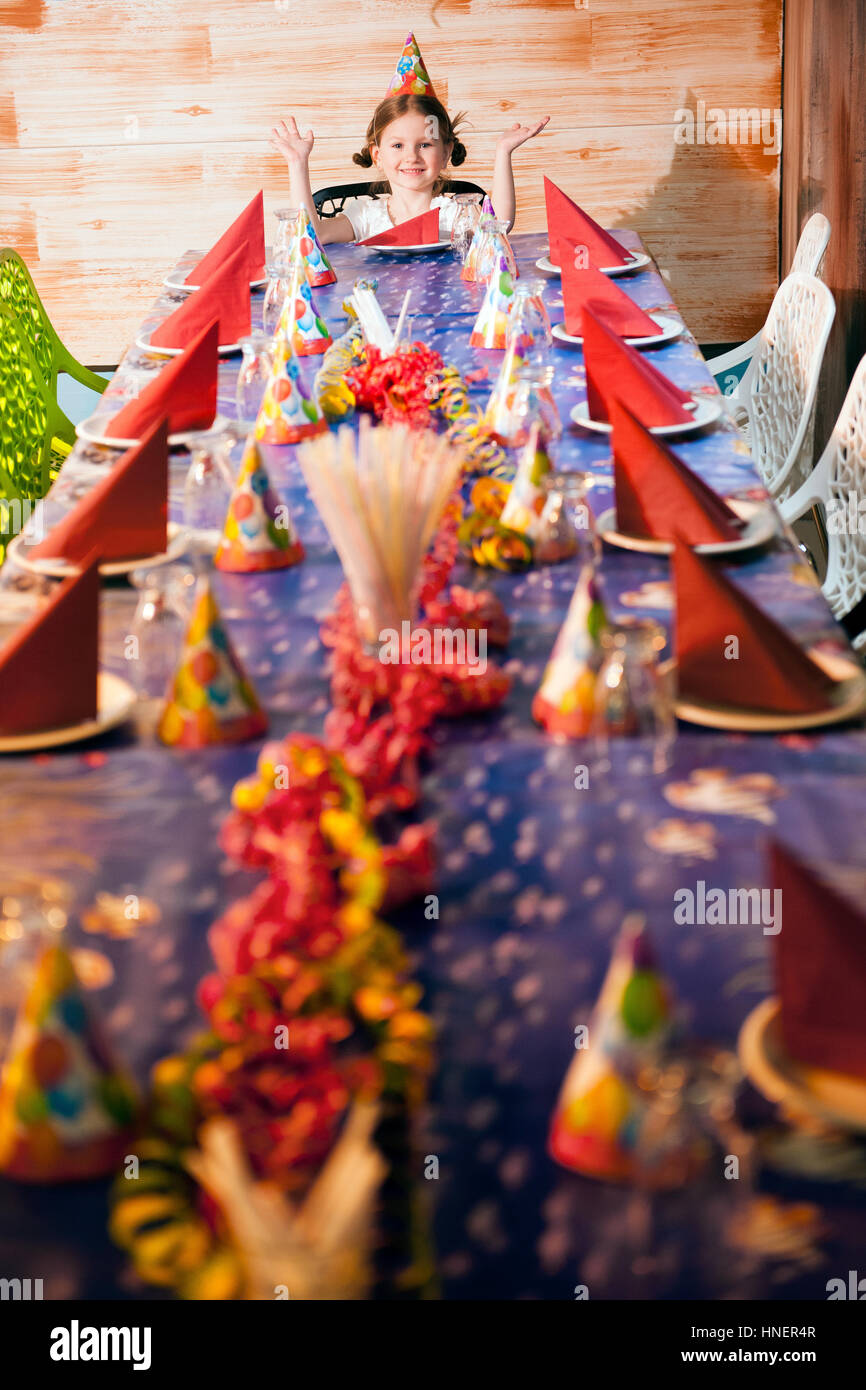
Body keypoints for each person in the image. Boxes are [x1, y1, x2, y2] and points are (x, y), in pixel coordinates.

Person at [270, 93, 549, 244]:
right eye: (398, 146)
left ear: (446, 153)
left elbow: (498, 225)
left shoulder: (453, 215)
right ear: (377, 155)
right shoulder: (365, 216)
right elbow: (313, 235)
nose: (411, 156)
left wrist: (503, 152)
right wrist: (297, 164)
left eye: (425, 145)